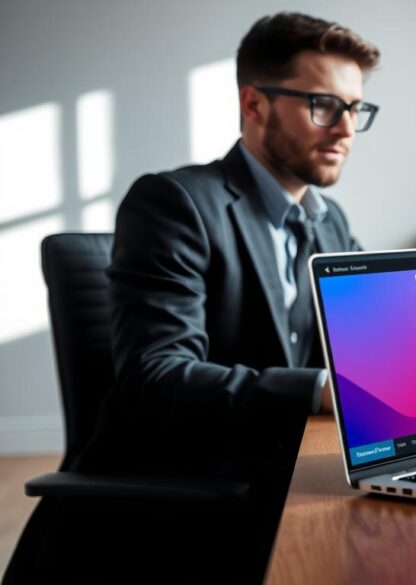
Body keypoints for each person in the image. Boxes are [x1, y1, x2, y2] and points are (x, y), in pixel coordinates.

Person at [4, 13, 380, 582]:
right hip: (186, 501)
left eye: (356, 109)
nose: (346, 129)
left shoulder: (330, 224)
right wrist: (321, 389)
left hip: (286, 473)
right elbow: (157, 375)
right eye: (324, 105)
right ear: (254, 105)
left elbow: (360, 347)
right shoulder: (173, 203)